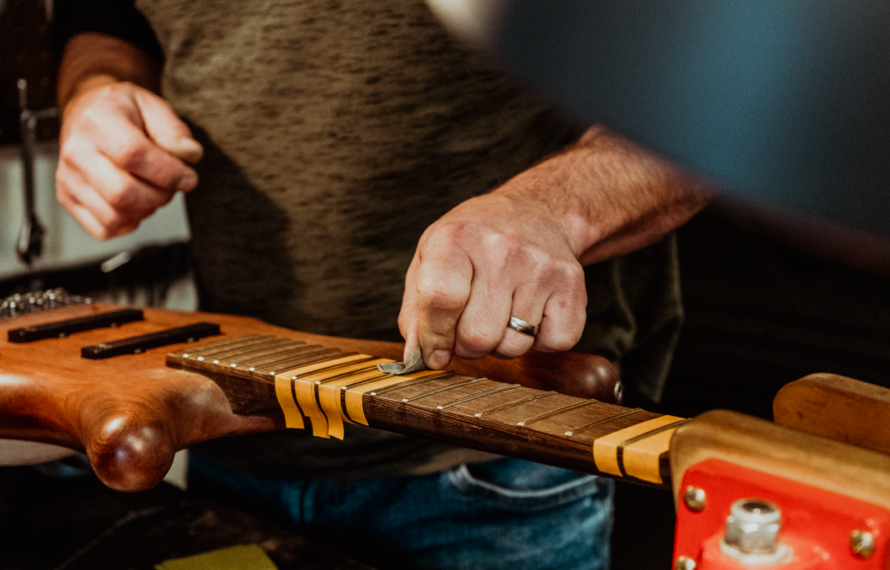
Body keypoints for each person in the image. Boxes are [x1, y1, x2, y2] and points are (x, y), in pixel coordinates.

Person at [54, 1, 710, 568]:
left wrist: (554, 210)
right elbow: (107, 24)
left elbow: (728, 83)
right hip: (225, 436)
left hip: (501, 461)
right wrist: (94, 90)